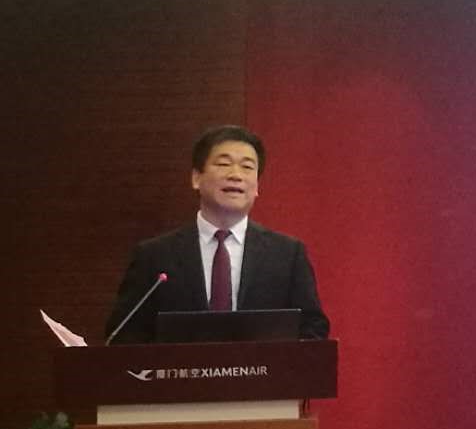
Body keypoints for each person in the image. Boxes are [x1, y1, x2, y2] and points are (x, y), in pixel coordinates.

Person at [104, 125, 329, 344]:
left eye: (247, 167)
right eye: (223, 164)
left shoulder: (287, 255)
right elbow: (125, 335)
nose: (236, 175)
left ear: (257, 186)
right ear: (196, 178)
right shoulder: (154, 255)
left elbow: (313, 330)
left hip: (263, 371)